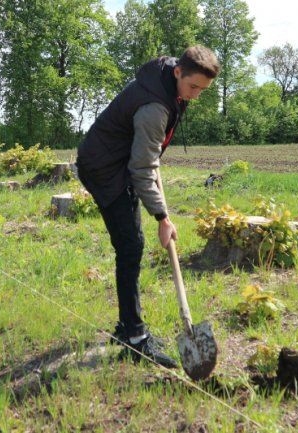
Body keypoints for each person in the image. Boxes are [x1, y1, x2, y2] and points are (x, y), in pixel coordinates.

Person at [77, 45, 220, 369]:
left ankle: (126, 328)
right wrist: (161, 217)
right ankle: (135, 339)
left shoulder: (169, 82)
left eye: (203, 90)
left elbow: (147, 158)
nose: (195, 95)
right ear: (177, 72)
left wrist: (153, 183)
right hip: (104, 169)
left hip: (119, 161)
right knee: (131, 246)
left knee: (131, 246)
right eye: (193, 87)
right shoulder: (155, 107)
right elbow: (142, 168)